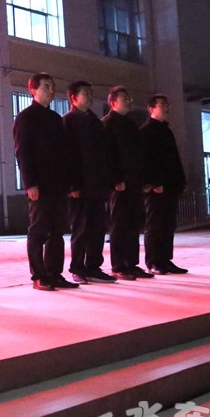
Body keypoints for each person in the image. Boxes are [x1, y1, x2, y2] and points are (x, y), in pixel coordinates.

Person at [13, 73, 78, 292]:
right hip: (39, 184)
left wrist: (69, 183)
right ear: (33, 90)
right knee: (39, 230)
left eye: (52, 86)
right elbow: (23, 153)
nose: (51, 90)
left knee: (57, 231)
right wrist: (30, 183)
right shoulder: (25, 118)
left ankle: (54, 273)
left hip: (57, 183)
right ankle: (39, 275)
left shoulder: (55, 119)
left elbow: (64, 154)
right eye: (46, 86)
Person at [62, 81, 117, 284]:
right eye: (85, 93)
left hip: (98, 185)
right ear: (73, 98)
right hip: (80, 185)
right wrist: (72, 185)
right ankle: (77, 267)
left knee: (97, 228)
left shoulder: (95, 122)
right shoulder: (68, 122)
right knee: (80, 228)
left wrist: (107, 182)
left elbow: (105, 155)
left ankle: (94, 266)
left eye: (90, 93)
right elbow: (67, 156)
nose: (90, 96)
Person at [102, 86, 153, 280]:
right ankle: (118, 265)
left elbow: (139, 155)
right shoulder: (107, 124)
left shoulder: (131, 125)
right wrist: (115, 179)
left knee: (134, 223)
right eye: (124, 98)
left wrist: (144, 179)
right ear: (113, 102)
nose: (128, 101)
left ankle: (132, 263)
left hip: (134, 182)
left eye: (129, 98)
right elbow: (107, 156)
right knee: (119, 224)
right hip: (119, 184)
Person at [140, 95, 188, 275]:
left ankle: (165, 260)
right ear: (151, 109)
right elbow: (144, 161)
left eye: (167, 105)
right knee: (155, 225)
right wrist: (153, 182)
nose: (166, 108)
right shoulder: (146, 131)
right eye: (162, 105)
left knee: (168, 224)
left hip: (170, 186)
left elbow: (173, 160)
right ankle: (153, 261)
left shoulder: (166, 130)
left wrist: (180, 181)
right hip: (156, 188)